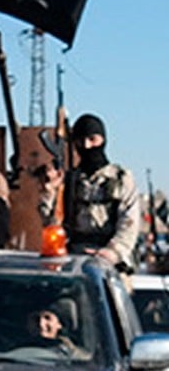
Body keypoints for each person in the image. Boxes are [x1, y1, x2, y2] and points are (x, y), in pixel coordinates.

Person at [39, 113, 141, 268]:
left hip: (111, 261)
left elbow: (129, 223)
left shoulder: (121, 178)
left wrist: (112, 252)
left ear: (103, 140)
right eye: (81, 141)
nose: (86, 146)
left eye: (92, 140)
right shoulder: (70, 180)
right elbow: (51, 223)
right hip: (75, 260)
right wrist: (50, 192)